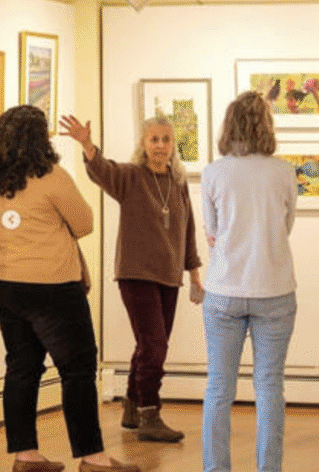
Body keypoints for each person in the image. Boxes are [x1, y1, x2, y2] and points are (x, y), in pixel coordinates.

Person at [1, 105, 139, 472]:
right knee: (77, 370)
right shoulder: (52, 176)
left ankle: (25, 456)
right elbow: (84, 223)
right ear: (41, 139)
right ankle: (93, 457)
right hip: (54, 288)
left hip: (8, 288)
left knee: (21, 369)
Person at [59, 114, 203, 443]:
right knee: (155, 345)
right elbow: (102, 170)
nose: (160, 146)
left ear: (173, 145)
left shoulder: (178, 181)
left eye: (166, 140)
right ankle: (150, 413)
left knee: (149, 345)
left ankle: (133, 407)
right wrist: (87, 145)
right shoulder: (130, 176)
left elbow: (188, 229)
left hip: (169, 276)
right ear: (143, 143)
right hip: (136, 274)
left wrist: (194, 273)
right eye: (154, 139)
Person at [200, 91, 298, 472]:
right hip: (274, 289)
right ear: (266, 126)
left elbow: (212, 231)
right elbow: (286, 227)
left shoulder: (213, 172)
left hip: (224, 289)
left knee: (218, 388)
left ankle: (215, 468)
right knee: (270, 387)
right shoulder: (284, 172)